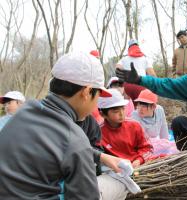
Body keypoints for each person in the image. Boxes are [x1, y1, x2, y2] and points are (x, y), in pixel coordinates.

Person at [0, 52, 129, 200]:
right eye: (99, 96)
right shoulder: (73, 137)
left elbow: (55, 148)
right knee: (120, 183)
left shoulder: (24, 111)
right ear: (87, 92)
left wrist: (101, 157)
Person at [97, 88, 153, 168]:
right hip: (114, 169)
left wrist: (139, 160)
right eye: (116, 111)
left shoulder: (134, 125)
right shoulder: (98, 132)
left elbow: (148, 148)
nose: (121, 113)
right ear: (103, 114)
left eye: (123, 109)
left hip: (137, 166)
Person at [132, 89, 179, 156]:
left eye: (144, 106)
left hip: (154, 143)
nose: (140, 109)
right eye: (139, 105)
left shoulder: (159, 110)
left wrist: (167, 146)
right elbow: (140, 141)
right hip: (142, 146)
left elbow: (164, 131)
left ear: (153, 107)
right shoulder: (135, 116)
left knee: (174, 148)